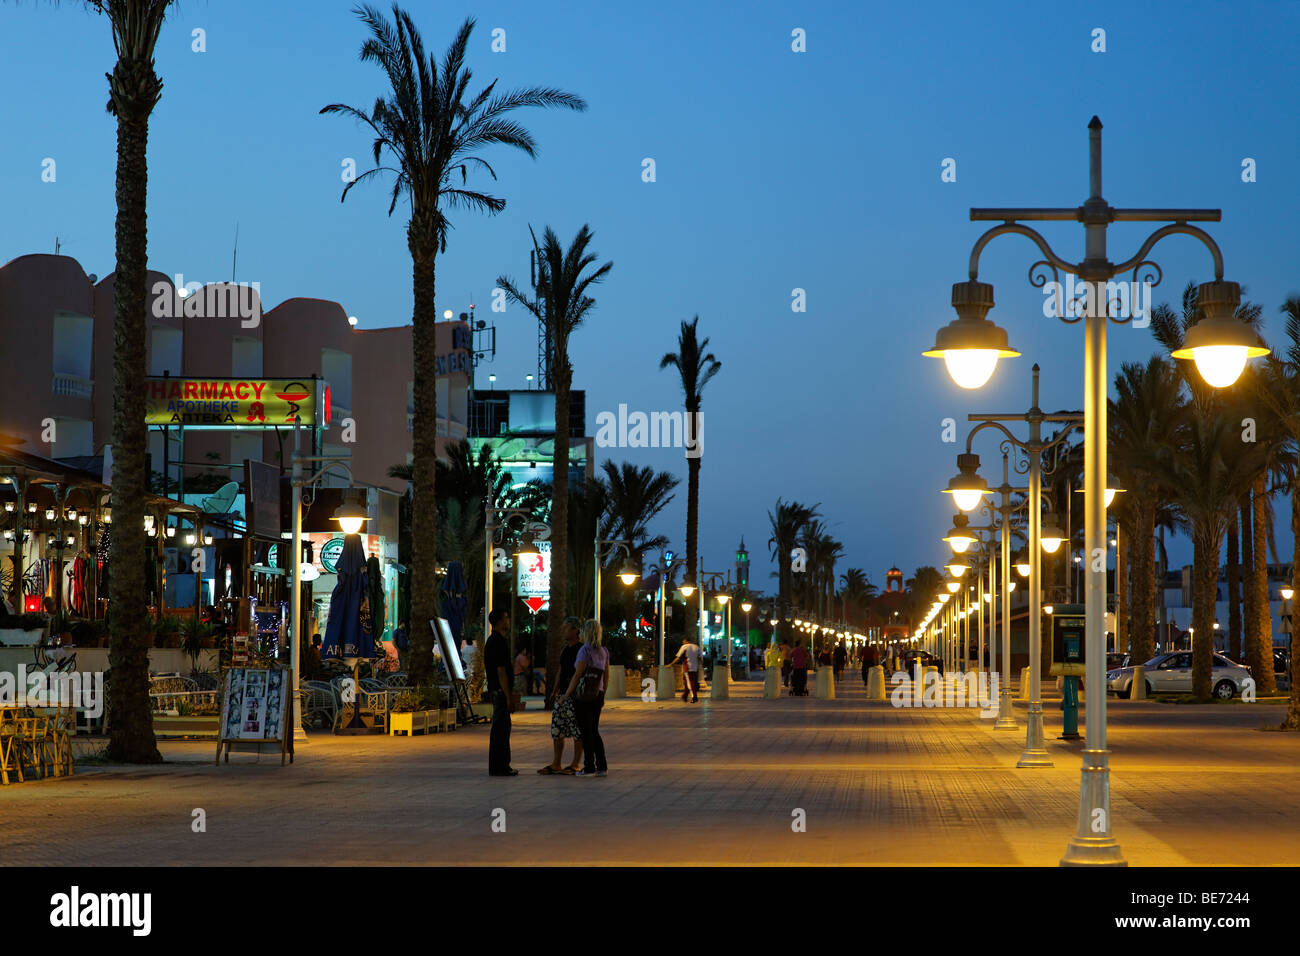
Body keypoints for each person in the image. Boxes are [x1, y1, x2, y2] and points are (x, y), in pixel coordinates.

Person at [560, 619, 609, 777]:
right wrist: (603, 694)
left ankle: (589, 767)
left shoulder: (584, 651)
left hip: (584, 696)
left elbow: (577, 675)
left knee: (585, 731)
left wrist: (566, 695)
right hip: (598, 694)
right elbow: (606, 675)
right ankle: (602, 766)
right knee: (594, 730)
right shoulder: (603, 651)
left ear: (586, 632)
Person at [539, 617, 584, 775]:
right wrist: (555, 690)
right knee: (557, 729)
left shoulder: (581, 650)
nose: (563, 630)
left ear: (575, 630)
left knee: (577, 730)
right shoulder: (565, 649)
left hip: (576, 696)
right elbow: (561, 669)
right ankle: (556, 762)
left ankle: (575, 763)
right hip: (562, 695)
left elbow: (578, 673)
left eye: (567, 628)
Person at [484, 609, 516, 776]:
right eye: (506, 617)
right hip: (499, 691)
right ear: (499, 621)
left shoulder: (492, 641)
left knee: (501, 728)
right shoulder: (498, 641)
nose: (508, 619)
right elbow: (501, 671)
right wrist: (508, 695)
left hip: (495, 689)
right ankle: (500, 766)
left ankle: (501, 765)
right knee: (501, 730)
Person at [669, 634, 702, 702]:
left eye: (683, 641)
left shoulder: (684, 647)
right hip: (695, 667)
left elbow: (678, 657)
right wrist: (701, 665)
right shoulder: (696, 647)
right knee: (690, 681)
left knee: (690, 682)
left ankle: (694, 697)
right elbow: (699, 658)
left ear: (686, 641)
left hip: (687, 667)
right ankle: (685, 695)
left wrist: (671, 664)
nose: (682, 642)